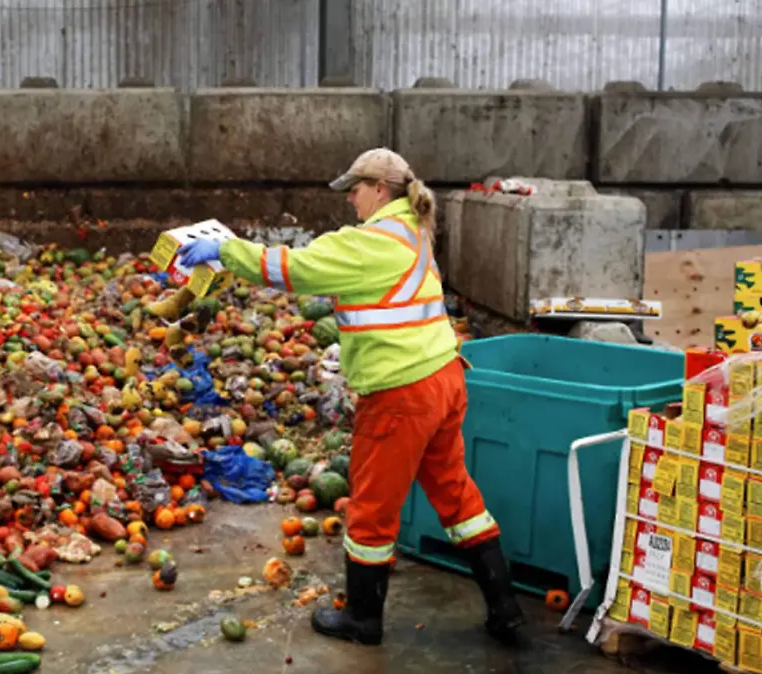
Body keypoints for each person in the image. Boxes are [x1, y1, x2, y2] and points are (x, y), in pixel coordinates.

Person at [177, 148, 525, 647]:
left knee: (370, 509)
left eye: (355, 191)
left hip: (402, 393)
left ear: (380, 189)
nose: (351, 202)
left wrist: (225, 250)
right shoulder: (413, 231)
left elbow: (296, 268)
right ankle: (505, 609)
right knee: (457, 496)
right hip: (444, 378)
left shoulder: (372, 242)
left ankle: (363, 619)